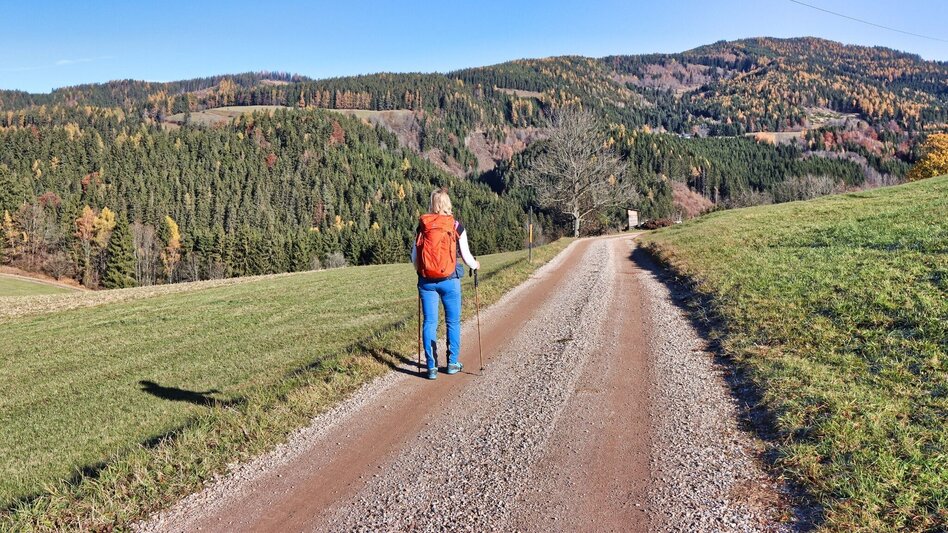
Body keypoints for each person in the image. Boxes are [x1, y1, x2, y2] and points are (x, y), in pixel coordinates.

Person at [411, 188, 480, 380]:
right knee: (452, 322)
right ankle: (451, 363)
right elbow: (466, 256)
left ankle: (431, 367)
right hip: (450, 280)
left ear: (433, 204)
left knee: (430, 322)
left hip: (426, 282)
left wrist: (421, 272)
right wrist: (476, 265)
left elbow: (414, 256)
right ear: (448, 204)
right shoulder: (455, 225)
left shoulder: (423, 226)